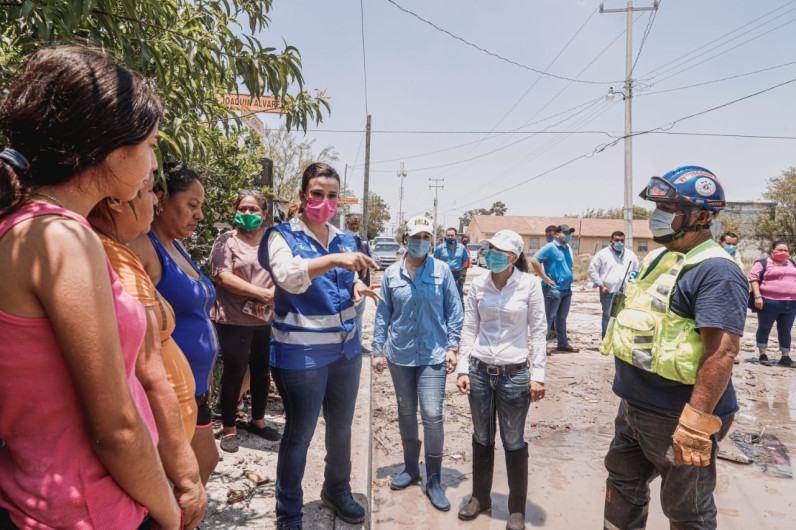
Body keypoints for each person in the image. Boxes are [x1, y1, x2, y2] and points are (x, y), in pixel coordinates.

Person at [0, 46, 181, 529]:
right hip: (89, 510)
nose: (151, 163)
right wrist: (167, 509)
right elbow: (116, 429)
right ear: (113, 150)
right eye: (150, 145)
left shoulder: (29, 226)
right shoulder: (61, 237)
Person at [601, 166, 748, 529]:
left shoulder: (717, 270)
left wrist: (696, 426)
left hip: (679, 415)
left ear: (700, 217)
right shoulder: (660, 257)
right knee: (622, 487)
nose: (657, 217)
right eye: (658, 207)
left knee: (687, 511)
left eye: (667, 209)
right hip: (634, 406)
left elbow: (722, 352)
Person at [258, 162, 382, 529]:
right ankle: (289, 515)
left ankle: (337, 490)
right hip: (301, 353)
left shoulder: (345, 238)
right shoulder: (282, 236)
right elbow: (288, 278)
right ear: (302, 195)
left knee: (341, 427)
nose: (325, 201)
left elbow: (347, 284)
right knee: (299, 435)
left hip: (345, 351)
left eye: (332, 196)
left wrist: (357, 288)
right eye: (317, 194)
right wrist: (332, 260)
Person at [89, 173, 207, 528]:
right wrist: (185, 481)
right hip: (152, 440)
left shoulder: (123, 249)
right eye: (147, 191)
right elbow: (142, 369)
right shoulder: (121, 252)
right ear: (116, 201)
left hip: (175, 422)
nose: (154, 201)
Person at [129, 163, 220, 485]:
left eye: (200, 207)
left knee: (205, 463)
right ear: (161, 200)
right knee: (183, 477)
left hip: (197, 387)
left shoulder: (177, 245)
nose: (198, 215)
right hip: (169, 390)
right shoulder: (142, 247)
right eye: (191, 205)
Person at [455, 230, 547, 530]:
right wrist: (463, 369)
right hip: (480, 372)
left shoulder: (530, 285)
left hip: (515, 375)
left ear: (513, 257)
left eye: (499, 251)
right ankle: (480, 498)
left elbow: (540, 332)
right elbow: (469, 328)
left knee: (513, 440)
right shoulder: (478, 284)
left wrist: (538, 375)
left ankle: (516, 509)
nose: (491, 254)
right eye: (490, 248)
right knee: (482, 437)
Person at [371, 216, 463, 512]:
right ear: (405, 239)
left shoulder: (442, 270)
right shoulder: (392, 273)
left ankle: (434, 480)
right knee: (406, 411)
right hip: (400, 353)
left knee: (433, 414)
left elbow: (454, 309)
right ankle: (411, 469)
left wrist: (453, 346)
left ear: (431, 242)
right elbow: (383, 312)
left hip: (434, 354)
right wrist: (376, 349)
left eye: (426, 236)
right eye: (415, 236)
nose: (421, 241)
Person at [211, 190, 281, 454]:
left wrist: (274, 294)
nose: (248, 214)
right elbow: (223, 277)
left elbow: (284, 269)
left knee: (262, 371)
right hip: (234, 318)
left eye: (254, 210)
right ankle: (229, 427)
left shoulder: (272, 241)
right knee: (235, 371)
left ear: (265, 214)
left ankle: (258, 421)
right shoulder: (226, 241)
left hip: (264, 318)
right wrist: (260, 293)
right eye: (243, 208)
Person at [530, 224, 580, 353]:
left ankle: (562, 343)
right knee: (548, 317)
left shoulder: (567, 248)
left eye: (570, 233)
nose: (569, 235)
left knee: (561, 318)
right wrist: (545, 278)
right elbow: (534, 260)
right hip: (553, 290)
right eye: (566, 233)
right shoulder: (550, 247)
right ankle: (542, 345)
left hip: (566, 290)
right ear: (557, 234)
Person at [749, 240, 796, 367]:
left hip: (791, 303)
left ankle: (785, 357)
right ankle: (763, 355)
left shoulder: (791, 263)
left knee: (786, 330)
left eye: (786, 250)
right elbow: (754, 279)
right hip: (769, 302)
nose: (783, 252)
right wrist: (757, 296)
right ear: (772, 251)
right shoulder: (762, 263)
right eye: (780, 250)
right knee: (765, 328)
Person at [588, 231, 640, 338]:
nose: (619, 243)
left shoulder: (631, 255)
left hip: (626, 293)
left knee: (624, 317)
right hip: (608, 292)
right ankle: (606, 340)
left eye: (622, 240)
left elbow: (636, 272)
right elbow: (593, 270)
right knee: (607, 316)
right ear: (611, 241)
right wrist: (601, 286)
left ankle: (620, 341)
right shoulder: (603, 254)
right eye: (617, 240)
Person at [345, 213, 373, 349]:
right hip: (348, 286)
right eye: (352, 227)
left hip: (363, 283)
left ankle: (358, 345)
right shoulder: (342, 240)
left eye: (357, 228)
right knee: (348, 316)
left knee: (359, 317)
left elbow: (369, 255)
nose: (355, 230)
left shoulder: (363, 239)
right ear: (347, 226)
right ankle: (347, 345)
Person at [434, 227, 468, 301]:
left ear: (455, 236)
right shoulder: (440, 248)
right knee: (443, 297)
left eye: (452, 235)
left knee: (458, 297)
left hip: (457, 276)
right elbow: (435, 263)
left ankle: (460, 312)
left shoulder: (462, 248)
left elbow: (465, 262)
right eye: (448, 235)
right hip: (443, 276)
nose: (450, 237)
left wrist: (458, 269)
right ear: (446, 236)